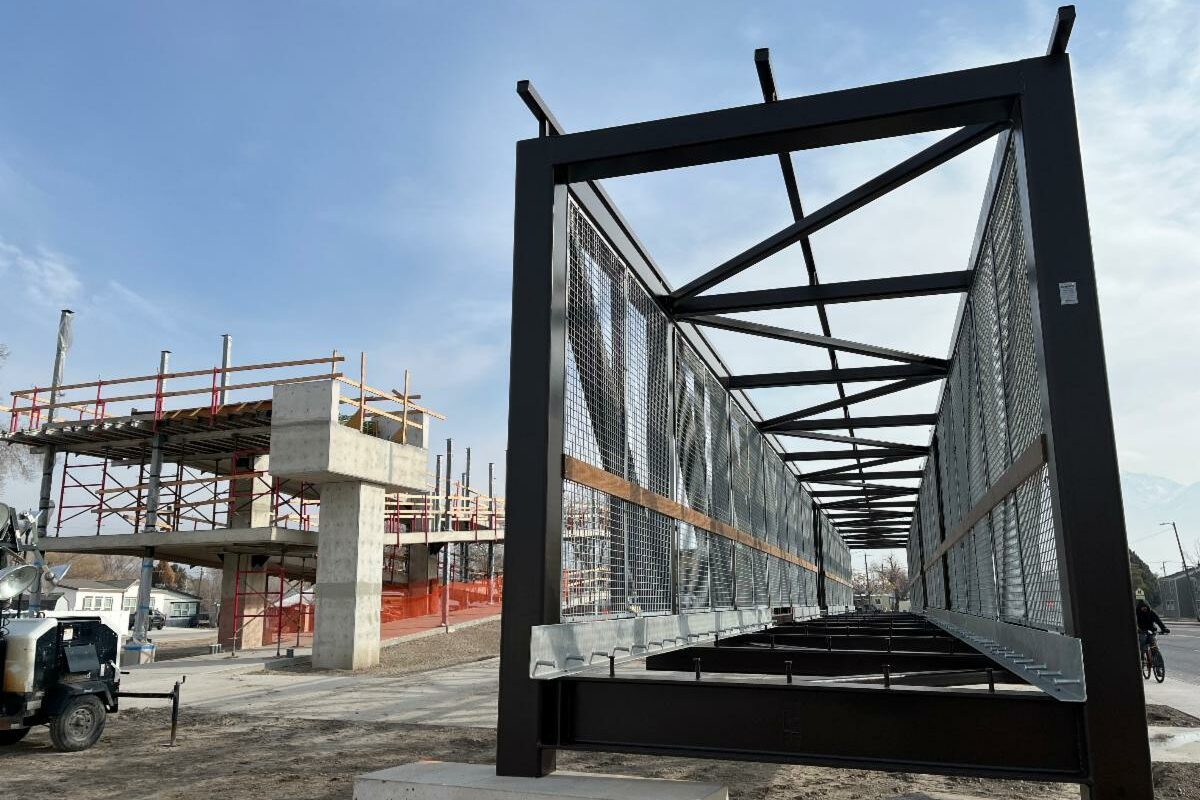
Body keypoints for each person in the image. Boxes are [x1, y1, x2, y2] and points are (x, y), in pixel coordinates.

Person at [1134, 589, 1169, 661]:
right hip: (1142, 631)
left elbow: (1158, 621)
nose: (1144, 608)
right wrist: (1138, 630)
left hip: (1152, 631)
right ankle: (1142, 657)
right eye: (1142, 607)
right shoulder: (1137, 614)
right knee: (1142, 643)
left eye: (1145, 607)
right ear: (1139, 608)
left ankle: (1157, 660)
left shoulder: (1151, 612)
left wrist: (1164, 628)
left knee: (1154, 643)